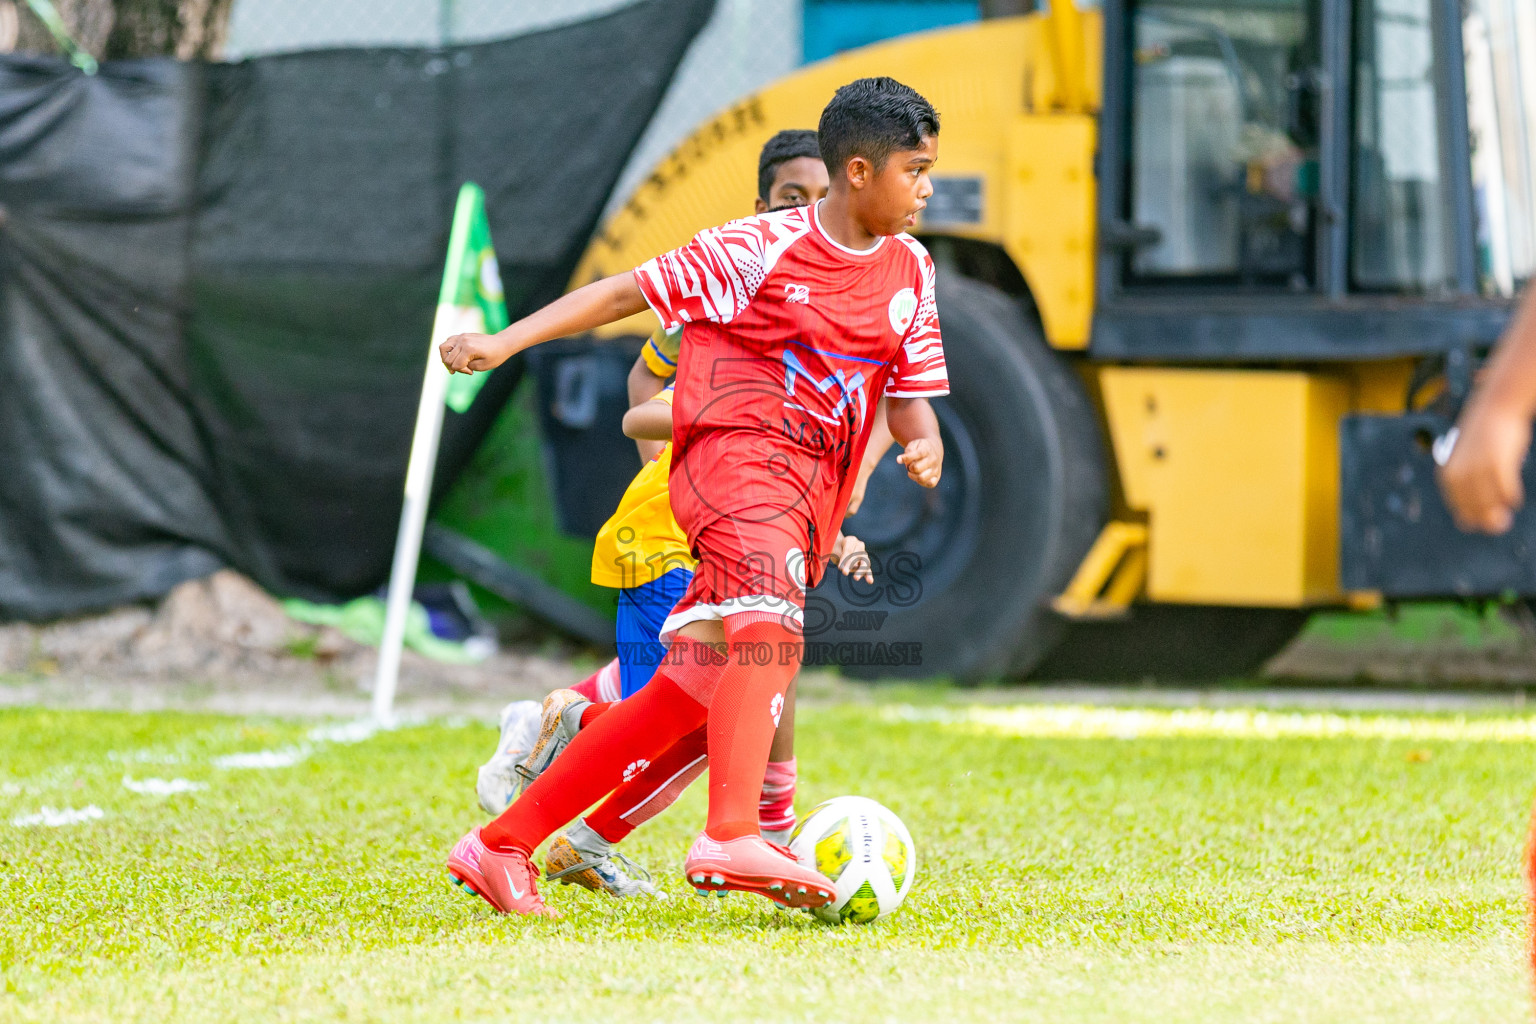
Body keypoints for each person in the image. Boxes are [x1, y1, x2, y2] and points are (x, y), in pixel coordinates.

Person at [445, 76, 948, 918]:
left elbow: (909, 390)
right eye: (917, 169)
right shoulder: (757, 248)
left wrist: (921, 439)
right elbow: (619, 295)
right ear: (859, 171)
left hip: (807, 491)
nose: (929, 188)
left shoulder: (912, 270)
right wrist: (504, 341)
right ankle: (731, 833)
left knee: (695, 684)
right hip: (737, 467)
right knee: (771, 639)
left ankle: (501, 846)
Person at [473, 131, 838, 840]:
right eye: (794, 198)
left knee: (744, 677)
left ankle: (590, 812)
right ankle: (565, 769)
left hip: (751, 527)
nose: (808, 215)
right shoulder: (732, 286)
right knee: (696, 706)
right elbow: (645, 383)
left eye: (825, 202)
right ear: (762, 205)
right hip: (678, 534)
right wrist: (665, 464)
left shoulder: (836, 298)